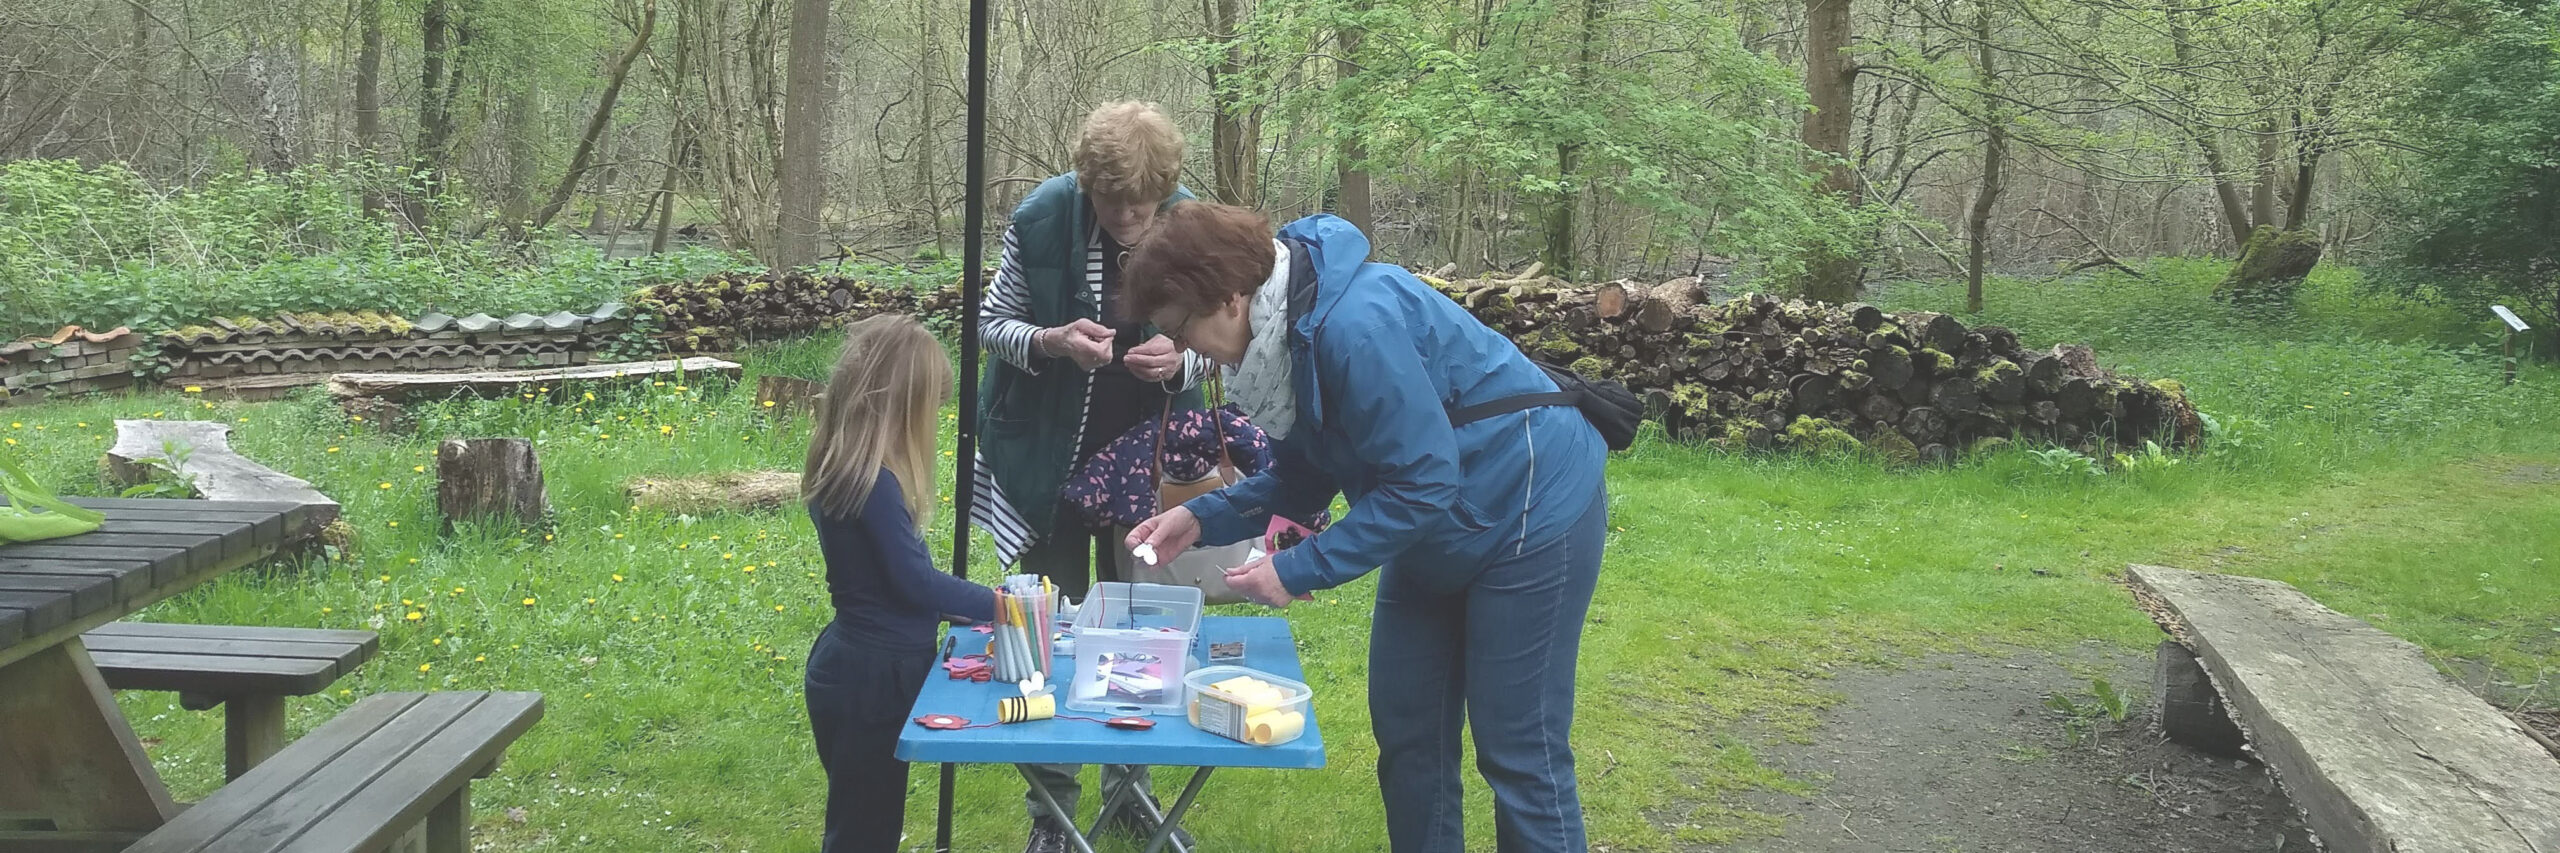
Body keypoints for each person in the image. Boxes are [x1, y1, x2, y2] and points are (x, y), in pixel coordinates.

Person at [1123, 203, 1612, 853]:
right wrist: (1198, 514)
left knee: (1519, 750)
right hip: (1437, 520)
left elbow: (1425, 481)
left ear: (1232, 298)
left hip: (1534, 508)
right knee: (1410, 733)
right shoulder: (1278, 349)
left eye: (1180, 329)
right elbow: (1300, 479)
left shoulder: (1352, 326)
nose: (1182, 349)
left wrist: (1297, 567)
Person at [970, 100, 1209, 852]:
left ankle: (1133, 788)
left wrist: (1183, 357)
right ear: (1085, 186)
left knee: (1143, 626)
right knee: (1049, 630)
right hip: (1052, 458)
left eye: (1140, 206)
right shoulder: (1042, 218)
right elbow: (991, 324)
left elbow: (1227, 336)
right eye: (1111, 205)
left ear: (1164, 190)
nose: (1127, 218)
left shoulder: (1191, 225)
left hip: (1152, 460)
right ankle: (1053, 813)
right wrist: (1050, 340)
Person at [801, 314, 997, 853]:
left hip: (859, 667)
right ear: (901, 404)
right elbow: (913, 583)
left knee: (867, 817)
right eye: (931, 405)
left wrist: (966, 608)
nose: (935, 418)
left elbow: (894, 583)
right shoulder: (870, 481)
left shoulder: (845, 465)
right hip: (870, 677)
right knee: (864, 829)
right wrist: (1006, 605)